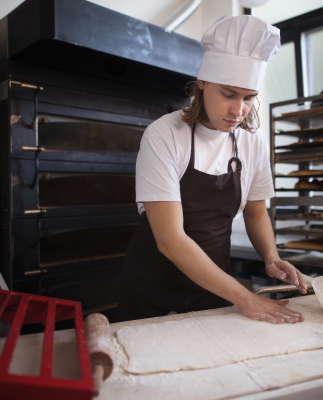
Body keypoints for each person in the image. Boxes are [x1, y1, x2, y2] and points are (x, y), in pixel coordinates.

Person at [117, 15, 307, 324]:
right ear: (202, 83)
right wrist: (245, 297)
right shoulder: (164, 134)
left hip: (217, 287)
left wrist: (271, 257)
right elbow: (170, 239)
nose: (238, 110)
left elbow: (256, 212)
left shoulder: (252, 143)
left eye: (249, 98)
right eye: (229, 94)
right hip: (153, 287)